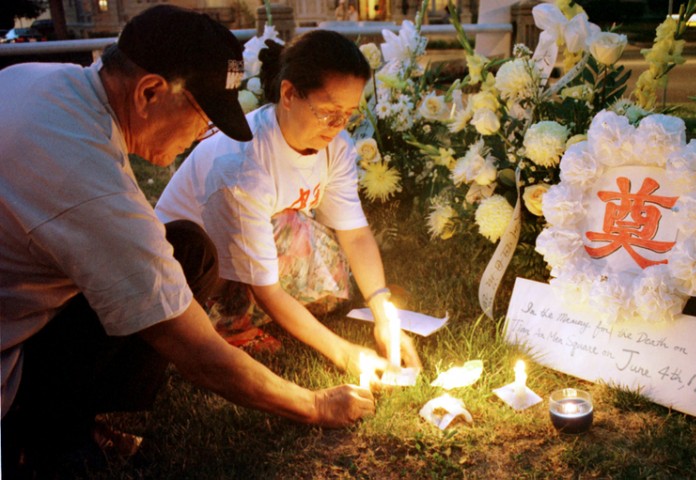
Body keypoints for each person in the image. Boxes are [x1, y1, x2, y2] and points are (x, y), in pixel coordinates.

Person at [0, 5, 376, 477]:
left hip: (19, 308)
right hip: (9, 358)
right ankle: (47, 429)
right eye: (202, 114)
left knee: (186, 250)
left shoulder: (45, 82)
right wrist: (315, 405)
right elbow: (194, 349)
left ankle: (73, 414)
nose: (206, 133)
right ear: (150, 92)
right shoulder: (84, 178)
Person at [155, 30, 422, 381]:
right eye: (328, 113)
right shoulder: (244, 165)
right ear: (289, 94)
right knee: (289, 228)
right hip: (190, 274)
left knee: (328, 261)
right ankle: (219, 325)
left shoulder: (335, 146)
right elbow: (267, 289)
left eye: (348, 115)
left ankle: (240, 316)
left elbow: (354, 234)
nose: (337, 127)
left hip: (250, 254)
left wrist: (383, 310)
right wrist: (344, 354)